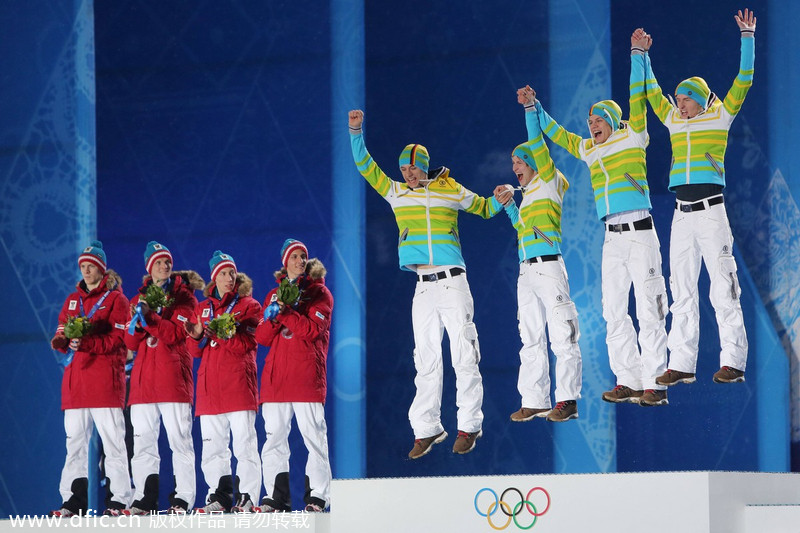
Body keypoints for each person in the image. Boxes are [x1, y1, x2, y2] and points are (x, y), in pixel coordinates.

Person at [348, 109, 503, 458]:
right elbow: (365, 167)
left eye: (413, 168)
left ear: (425, 165)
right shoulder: (396, 193)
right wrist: (356, 131)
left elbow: (483, 207)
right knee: (426, 359)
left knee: (463, 355)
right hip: (423, 285)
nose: (408, 174)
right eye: (404, 169)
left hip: (453, 282)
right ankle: (426, 428)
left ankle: (469, 425)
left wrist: (503, 197)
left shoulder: (450, 189)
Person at [530, 28, 669, 407]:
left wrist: (637, 53)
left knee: (650, 307)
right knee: (613, 310)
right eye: (589, 121)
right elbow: (557, 134)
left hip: (641, 232)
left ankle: (656, 383)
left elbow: (637, 97)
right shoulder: (589, 150)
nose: (591, 125)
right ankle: (629, 379)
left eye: (597, 119)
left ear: (611, 119)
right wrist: (534, 109)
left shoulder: (634, 135)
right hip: (611, 238)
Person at [643, 9, 755, 386]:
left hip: (711, 213)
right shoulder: (673, 120)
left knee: (723, 285)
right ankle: (683, 362)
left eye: (685, 99)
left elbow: (744, 79)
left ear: (701, 100)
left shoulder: (720, 115)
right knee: (682, 289)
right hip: (681, 215)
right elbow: (652, 94)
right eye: (677, 99)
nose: (678, 104)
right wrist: (640, 56)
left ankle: (734, 360)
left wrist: (747, 37)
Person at [493, 87, 583, 424]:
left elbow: (539, 144)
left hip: (548, 269)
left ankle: (567, 398)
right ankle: (534, 399)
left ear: (533, 162)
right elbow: (523, 230)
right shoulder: (529, 194)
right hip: (526, 271)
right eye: (513, 162)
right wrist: (509, 207)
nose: (514, 166)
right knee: (529, 337)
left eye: (519, 160)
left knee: (562, 332)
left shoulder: (548, 180)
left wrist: (530, 108)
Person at [49, 241, 133, 516]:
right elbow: (63, 327)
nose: (86, 271)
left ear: (101, 270)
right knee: (74, 445)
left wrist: (85, 343)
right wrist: (61, 341)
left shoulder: (116, 300)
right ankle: (73, 502)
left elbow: (117, 341)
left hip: (105, 384)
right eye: (83, 266)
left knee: (113, 444)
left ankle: (119, 501)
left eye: (91, 267)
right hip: (76, 384)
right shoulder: (72, 301)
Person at [123, 242, 204, 515]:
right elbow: (130, 342)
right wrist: (137, 320)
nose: (164, 266)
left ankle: (182, 499)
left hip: (172, 380)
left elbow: (173, 334)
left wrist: (150, 318)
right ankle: (145, 500)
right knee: (143, 444)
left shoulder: (185, 298)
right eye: (158, 262)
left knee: (180, 442)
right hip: (144, 383)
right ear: (149, 268)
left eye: (167, 261)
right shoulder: (138, 300)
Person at [255, 239, 333, 513]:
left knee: (314, 438)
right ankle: (276, 498)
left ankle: (318, 497)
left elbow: (312, 330)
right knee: (274, 440)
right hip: (276, 381)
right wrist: (272, 316)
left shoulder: (320, 295)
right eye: (295, 257)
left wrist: (286, 313)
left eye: (303, 256)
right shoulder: (272, 296)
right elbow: (262, 337)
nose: (300, 260)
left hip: (306, 378)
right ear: (285, 263)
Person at [185, 251, 262, 513]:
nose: (230, 278)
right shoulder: (202, 308)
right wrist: (195, 337)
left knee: (244, 445)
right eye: (224, 273)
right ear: (214, 277)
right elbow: (194, 352)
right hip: (210, 390)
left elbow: (249, 345)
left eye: (232, 273)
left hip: (239, 385)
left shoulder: (249, 306)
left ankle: (248, 496)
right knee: (213, 449)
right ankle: (219, 496)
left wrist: (228, 332)